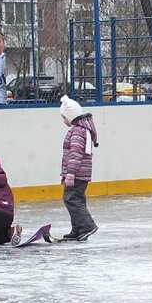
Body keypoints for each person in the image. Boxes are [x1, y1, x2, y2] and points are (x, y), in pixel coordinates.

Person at [59, 95, 99, 241]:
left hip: (77, 174)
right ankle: (78, 229)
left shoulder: (77, 131)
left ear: (71, 116)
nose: (63, 121)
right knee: (77, 199)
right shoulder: (82, 129)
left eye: (64, 117)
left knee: (71, 199)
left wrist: (70, 173)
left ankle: (87, 225)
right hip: (81, 173)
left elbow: (75, 154)